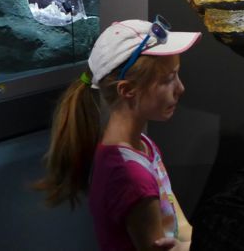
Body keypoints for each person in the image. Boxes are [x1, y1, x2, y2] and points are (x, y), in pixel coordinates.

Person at [36, 17, 200, 251]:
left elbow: (179, 224)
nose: (180, 89)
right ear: (127, 90)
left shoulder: (143, 145)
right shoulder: (131, 177)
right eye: (168, 80)